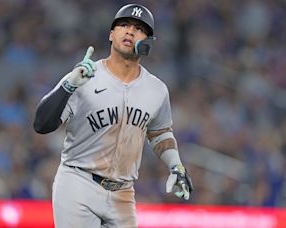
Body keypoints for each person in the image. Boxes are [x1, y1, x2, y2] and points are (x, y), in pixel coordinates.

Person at [33, 3, 193, 228]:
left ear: (147, 42)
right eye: (124, 25)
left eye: (138, 28)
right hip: (78, 182)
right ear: (111, 33)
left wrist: (176, 166)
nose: (129, 31)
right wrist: (69, 85)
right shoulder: (84, 75)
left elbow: (159, 133)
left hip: (123, 193)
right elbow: (41, 124)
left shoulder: (157, 89)